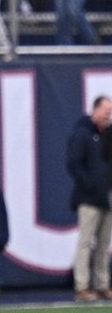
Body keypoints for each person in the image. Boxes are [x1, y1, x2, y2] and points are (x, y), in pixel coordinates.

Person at [66, 95, 112, 301]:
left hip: (107, 196)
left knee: (103, 244)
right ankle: (82, 286)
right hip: (88, 197)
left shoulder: (108, 136)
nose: (108, 116)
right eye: (106, 111)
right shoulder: (82, 134)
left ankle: (102, 284)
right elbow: (74, 164)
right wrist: (90, 186)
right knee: (85, 242)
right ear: (95, 110)